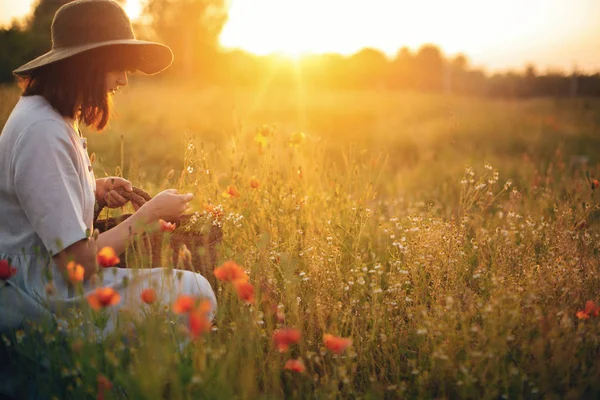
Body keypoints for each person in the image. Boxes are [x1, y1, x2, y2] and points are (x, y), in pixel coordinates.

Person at [0, 0, 216, 335]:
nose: (124, 81)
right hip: (38, 299)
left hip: (45, 282)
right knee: (195, 292)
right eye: (118, 67)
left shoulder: (48, 117)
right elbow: (78, 266)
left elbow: (41, 202)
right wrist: (145, 218)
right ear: (87, 64)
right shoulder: (42, 130)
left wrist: (92, 189)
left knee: (185, 288)